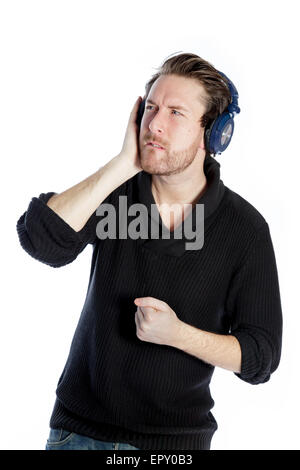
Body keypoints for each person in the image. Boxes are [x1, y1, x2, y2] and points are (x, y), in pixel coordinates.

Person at [16, 52, 283, 451]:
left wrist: (178, 335)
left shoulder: (244, 229)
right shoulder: (116, 195)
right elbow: (41, 241)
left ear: (214, 134)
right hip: (78, 435)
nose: (155, 124)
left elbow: (260, 357)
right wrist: (123, 165)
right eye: (152, 108)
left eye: (176, 112)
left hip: (174, 447)